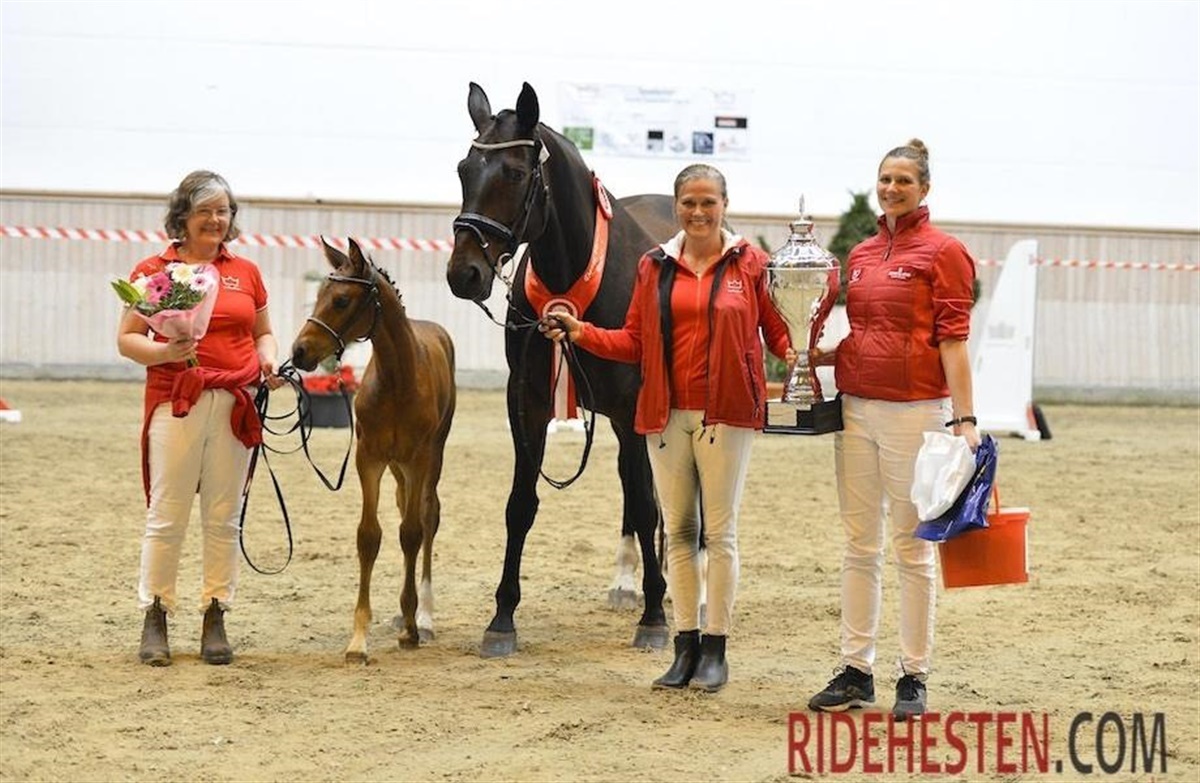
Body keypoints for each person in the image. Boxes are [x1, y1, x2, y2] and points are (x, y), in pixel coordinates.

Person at [541, 164, 793, 692]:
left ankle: (716, 648)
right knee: (676, 533)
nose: (698, 212)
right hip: (665, 414)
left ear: (725, 205)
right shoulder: (653, 265)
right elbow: (634, 341)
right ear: (677, 206)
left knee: (718, 535)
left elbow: (778, 333)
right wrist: (582, 332)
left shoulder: (751, 263)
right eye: (689, 203)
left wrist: (803, 354)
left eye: (708, 202)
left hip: (726, 415)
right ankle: (685, 645)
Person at [806, 139, 981, 719]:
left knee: (911, 547)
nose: (891, 188)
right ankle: (856, 670)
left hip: (916, 413)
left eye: (903, 180)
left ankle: (913, 674)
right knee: (859, 544)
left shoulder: (944, 251)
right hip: (856, 410)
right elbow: (866, 334)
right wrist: (819, 356)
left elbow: (953, 340)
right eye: (885, 179)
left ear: (924, 188)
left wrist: (964, 418)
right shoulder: (859, 253)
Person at [117, 170, 285, 666]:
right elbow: (127, 340)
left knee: (223, 516)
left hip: (236, 400)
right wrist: (165, 350)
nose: (215, 220)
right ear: (183, 217)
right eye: (205, 211)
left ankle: (216, 613)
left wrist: (268, 359)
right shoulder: (154, 269)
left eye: (223, 211)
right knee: (166, 514)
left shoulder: (246, 272)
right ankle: (156, 613)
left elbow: (262, 333)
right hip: (177, 400)